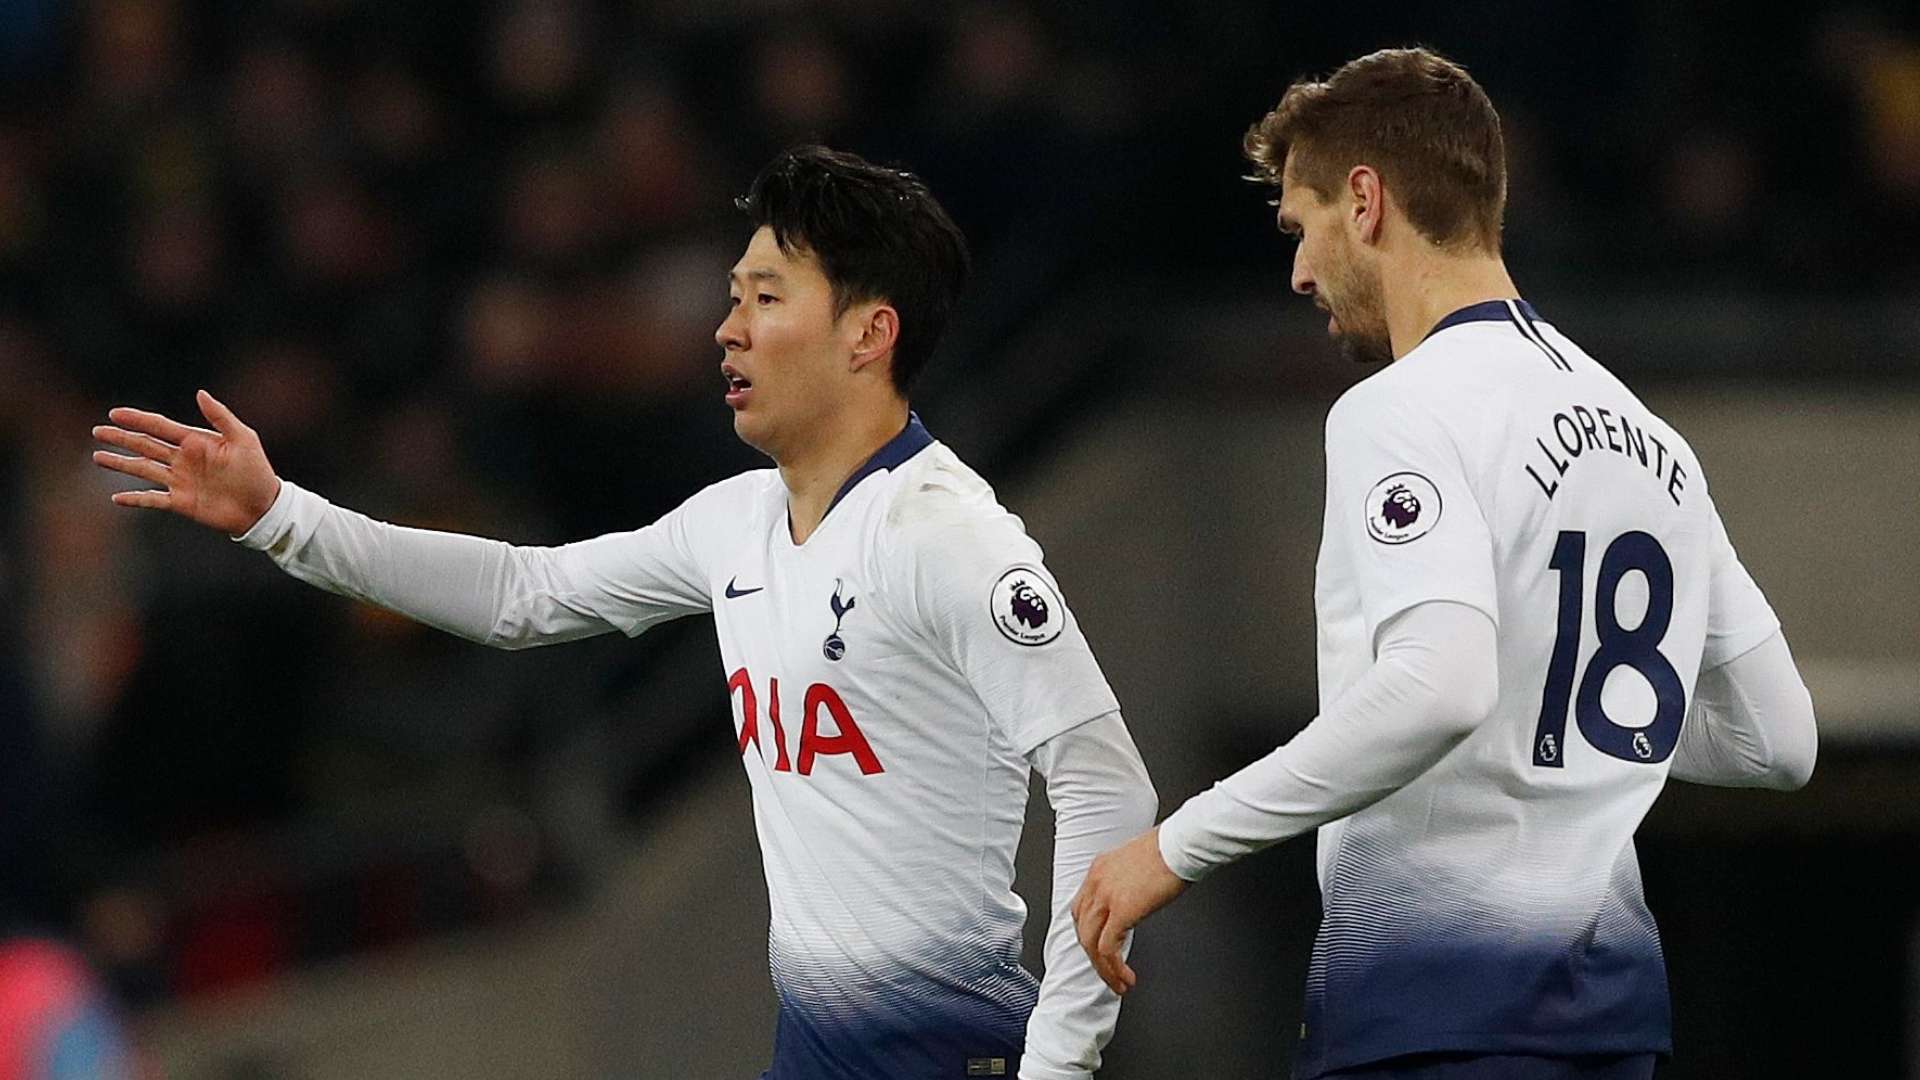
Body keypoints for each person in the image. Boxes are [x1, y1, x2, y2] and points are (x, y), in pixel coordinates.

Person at [92, 145, 1157, 1080]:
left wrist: (1060, 1062)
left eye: (766, 299)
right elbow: (525, 595)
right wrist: (283, 517)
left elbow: (1108, 788)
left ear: (869, 333)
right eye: (734, 296)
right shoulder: (737, 521)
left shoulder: (947, 537)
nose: (726, 330)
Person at [1069, 47, 1817, 1080]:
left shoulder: (1402, 409)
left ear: (1365, 201)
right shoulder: (1651, 440)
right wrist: (1557, 715)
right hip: (1612, 1029)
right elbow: (1777, 739)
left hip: (1439, 1021)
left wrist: (1178, 844)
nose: (1296, 272)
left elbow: (1439, 688)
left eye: (1302, 226)